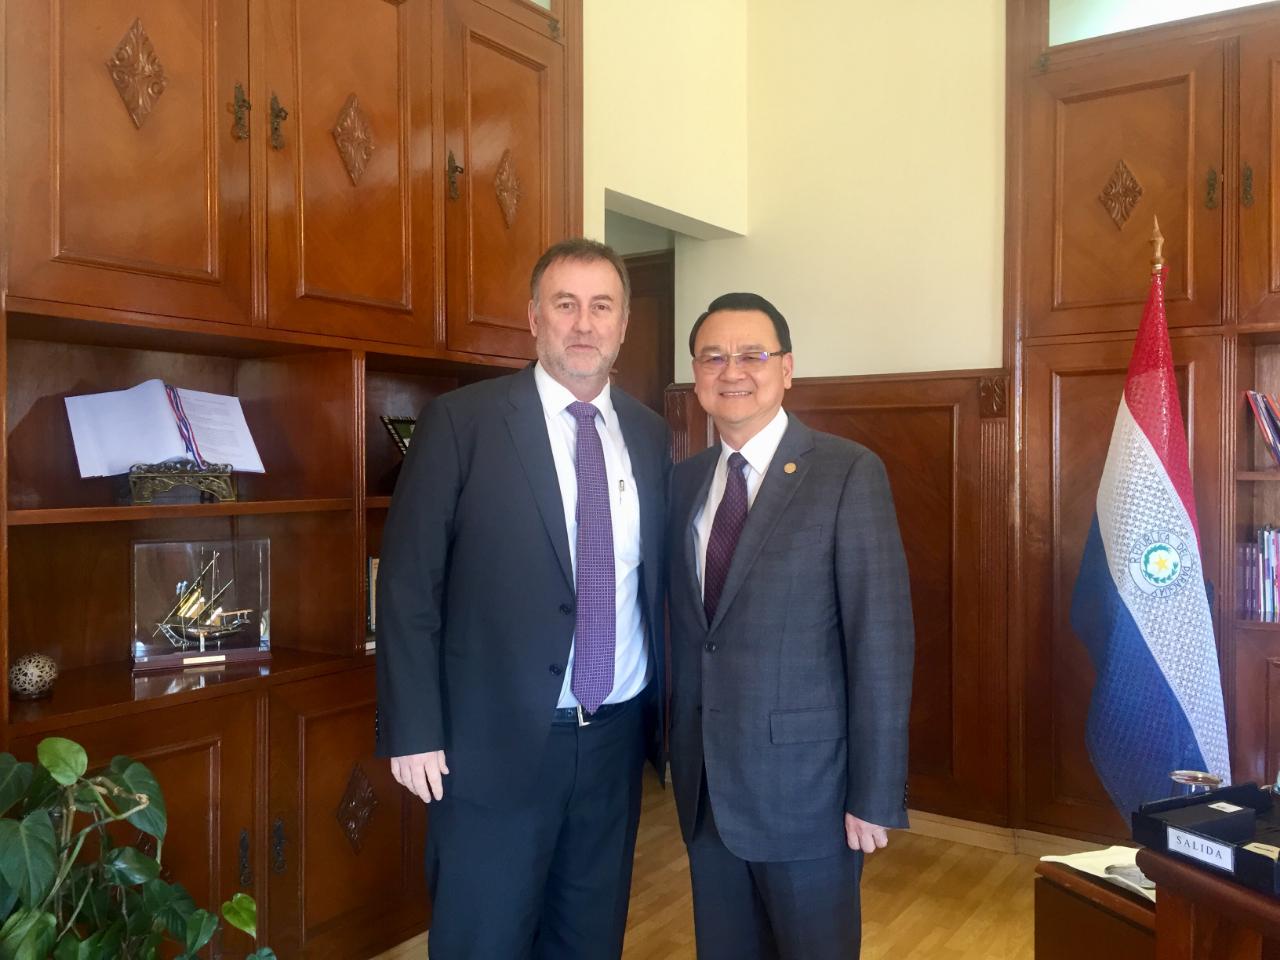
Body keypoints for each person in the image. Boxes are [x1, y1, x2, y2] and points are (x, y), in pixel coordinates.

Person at [375, 238, 670, 960]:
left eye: (601, 307)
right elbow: (410, 583)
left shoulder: (650, 431)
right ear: (532, 317)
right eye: (564, 304)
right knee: (486, 936)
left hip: (613, 737)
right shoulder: (462, 422)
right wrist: (414, 727)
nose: (583, 323)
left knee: (588, 936)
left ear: (624, 323)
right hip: (490, 743)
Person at [667, 292, 914, 960]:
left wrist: (875, 793)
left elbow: (881, 642)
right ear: (696, 376)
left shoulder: (847, 472)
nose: (733, 370)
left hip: (811, 797)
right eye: (713, 357)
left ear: (787, 368)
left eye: (753, 354)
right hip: (708, 792)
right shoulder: (684, 482)